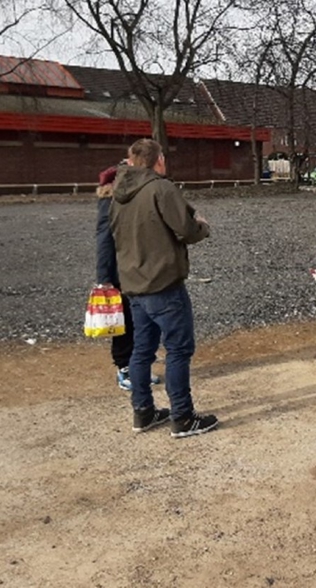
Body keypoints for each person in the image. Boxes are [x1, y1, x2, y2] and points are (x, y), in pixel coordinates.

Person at [110, 138, 218, 437]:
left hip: (133, 284)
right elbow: (185, 228)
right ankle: (182, 417)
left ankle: (143, 412)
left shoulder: (117, 195)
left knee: (142, 350)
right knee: (178, 349)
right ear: (158, 161)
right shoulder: (161, 188)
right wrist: (202, 227)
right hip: (163, 284)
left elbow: (113, 235)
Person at [95, 163, 160, 392]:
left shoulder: (126, 200)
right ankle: (123, 366)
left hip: (133, 268)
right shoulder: (110, 203)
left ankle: (136, 365)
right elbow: (104, 239)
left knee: (140, 320)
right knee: (124, 322)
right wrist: (104, 276)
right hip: (119, 271)